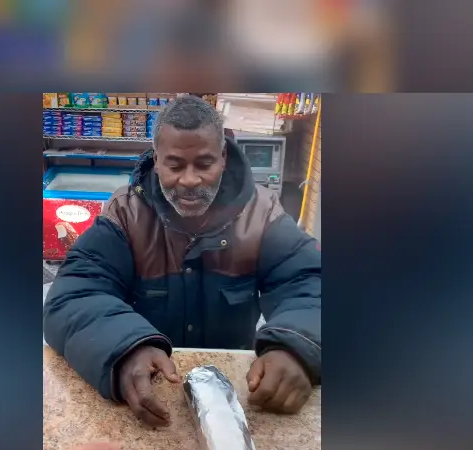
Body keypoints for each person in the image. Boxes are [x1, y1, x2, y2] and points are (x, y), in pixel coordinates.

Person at [44, 95, 321, 427]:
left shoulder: (261, 214)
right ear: (156, 160)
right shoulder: (126, 214)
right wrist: (123, 348)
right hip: (152, 398)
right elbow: (73, 295)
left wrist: (296, 347)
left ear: (222, 158)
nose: (189, 181)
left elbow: (310, 284)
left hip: (240, 399)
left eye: (204, 164)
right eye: (175, 166)